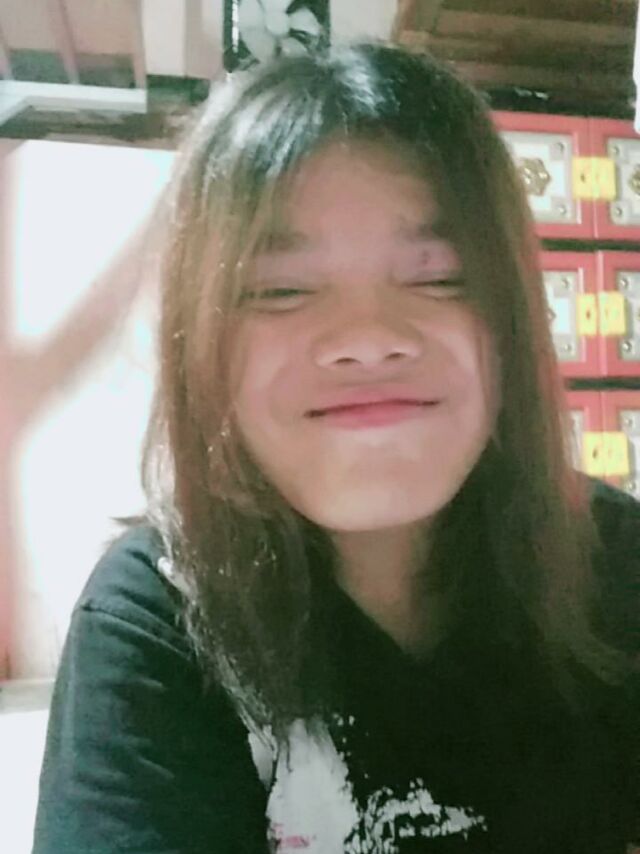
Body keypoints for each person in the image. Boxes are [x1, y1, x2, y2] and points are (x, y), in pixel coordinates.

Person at [32, 42, 639, 854]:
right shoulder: (158, 622)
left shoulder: (614, 563)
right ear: (201, 343)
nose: (367, 337)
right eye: (281, 290)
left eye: (438, 276)